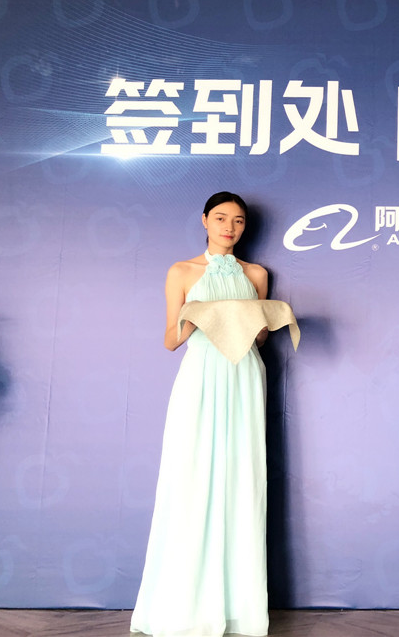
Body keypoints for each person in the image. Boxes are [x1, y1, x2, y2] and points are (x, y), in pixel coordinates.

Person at [132, 191, 270, 637]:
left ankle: (236, 610)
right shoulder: (182, 271)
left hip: (244, 375)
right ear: (205, 221)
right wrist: (201, 314)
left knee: (241, 479)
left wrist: (257, 320)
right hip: (201, 376)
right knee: (192, 478)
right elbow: (171, 340)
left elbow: (260, 338)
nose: (230, 227)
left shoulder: (257, 274)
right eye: (221, 218)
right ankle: (185, 607)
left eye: (239, 221)